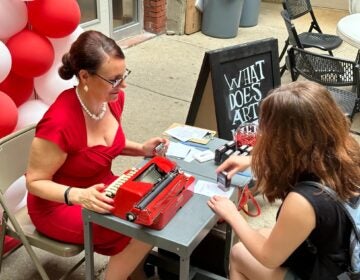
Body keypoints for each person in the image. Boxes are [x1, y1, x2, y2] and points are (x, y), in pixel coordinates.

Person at [26, 30, 169, 280]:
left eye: (123, 76)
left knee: (154, 208)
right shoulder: (58, 123)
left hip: (101, 188)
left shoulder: (112, 99)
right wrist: (77, 195)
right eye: (114, 79)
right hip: (59, 204)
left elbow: (102, 147)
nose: (122, 86)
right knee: (139, 226)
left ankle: (132, 273)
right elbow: (34, 182)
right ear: (84, 76)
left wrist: (142, 149)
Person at [209, 81, 360, 280]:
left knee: (238, 254)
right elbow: (304, 161)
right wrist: (252, 160)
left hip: (329, 273)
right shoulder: (348, 151)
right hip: (338, 255)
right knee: (263, 232)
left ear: (284, 139)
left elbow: (268, 258)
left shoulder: (302, 201)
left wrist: (231, 214)